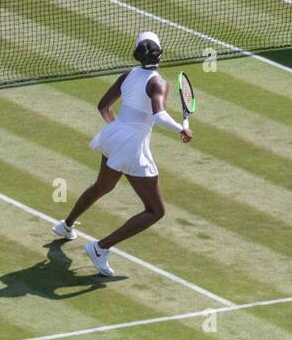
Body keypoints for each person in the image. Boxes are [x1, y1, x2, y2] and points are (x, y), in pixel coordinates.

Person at [53, 32, 192, 277]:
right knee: (155, 211)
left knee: (102, 187)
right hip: (130, 144)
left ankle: (66, 225)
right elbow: (158, 115)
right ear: (160, 52)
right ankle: (100, 248)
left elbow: (103, 107)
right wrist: (182, 128)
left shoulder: (128, 75)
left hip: (113, 134)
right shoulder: (158, 82)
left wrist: (119, 130)